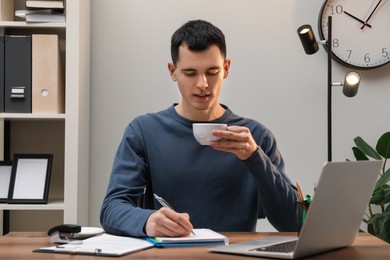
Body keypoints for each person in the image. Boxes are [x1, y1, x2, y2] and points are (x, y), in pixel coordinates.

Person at [100, 19, 300, 238]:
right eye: (190, 73)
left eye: (212, 72)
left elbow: (293, 222)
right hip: (169, 255)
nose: (202, 84)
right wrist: (146, 220)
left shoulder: (255, 137)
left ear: (226, 69)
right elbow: (112, 208)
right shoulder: (143, 131)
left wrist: (254, 156)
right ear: (172, 71)